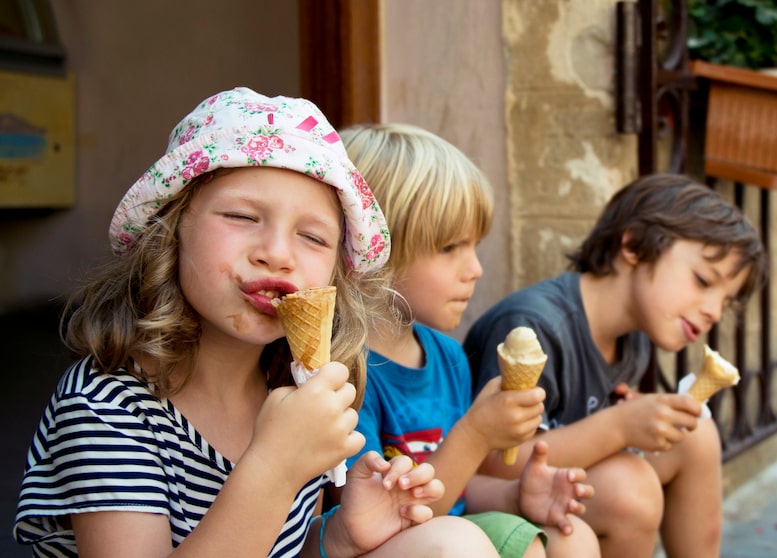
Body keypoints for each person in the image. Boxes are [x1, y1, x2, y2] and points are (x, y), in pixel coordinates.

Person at [13, 88, 500, 558]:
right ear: (170, 228)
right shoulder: (107, 407)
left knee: (452, 542)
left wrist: (339, 538)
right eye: (243, 217)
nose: (278, 254)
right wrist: (273, 467)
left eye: (311, 236)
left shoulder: (290, 386)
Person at [463, 173, 769, 558]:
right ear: (635, 245)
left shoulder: (634, 337)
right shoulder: (534, 328)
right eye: (703, 280)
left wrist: (638, 417)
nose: (713, 311)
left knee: (697, 435)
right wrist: (621, 426)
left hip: (564, 482)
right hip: (486, 498)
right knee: (630, 490)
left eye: (725, 301)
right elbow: (495, 465)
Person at [335, 123, 599, 558]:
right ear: (373, 248)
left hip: (449, 528)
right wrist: (476, 434)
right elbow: (376, 521)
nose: (474, 269)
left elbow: (459, 486)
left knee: (573, 537)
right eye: (450, 248)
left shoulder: (449, 357)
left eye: (475, 246)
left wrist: (516, 498)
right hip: (389, 543)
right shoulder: (346, 369)